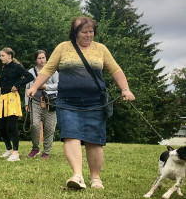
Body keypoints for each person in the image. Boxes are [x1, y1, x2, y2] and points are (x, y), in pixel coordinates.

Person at [26, 16, 135, 190]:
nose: (89, 35)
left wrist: (125, 89)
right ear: (75, 33)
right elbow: (47, 69)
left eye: (91, 32)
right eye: (85, 32)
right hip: (68, 101)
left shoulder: (101, 49)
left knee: (94, 140)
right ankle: (77, 175)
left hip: (95, 102)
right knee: (71, 135)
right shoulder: (63, 48)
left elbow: (115, 70)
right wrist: (35, 87)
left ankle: (96, 178)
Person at [0, 48, 32, 162]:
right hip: (3, 98)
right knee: (2, 127)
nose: (0, 58)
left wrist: (17, 85)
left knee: (11, 126)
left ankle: (16, 153)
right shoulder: (4, 68)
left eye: (2, 55)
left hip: (13, 99)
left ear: (9, 55)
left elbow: (30, 76)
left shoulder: (16, 66)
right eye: (0, 55)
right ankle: (9, 149)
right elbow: (3, 84)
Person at [24, 50, 58, 159]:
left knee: (50, 127)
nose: (42, 60)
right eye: (39, 58)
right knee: (34, 125)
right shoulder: (31, 72)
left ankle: (46, 151)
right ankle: (35, 148)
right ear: (35, 60)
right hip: (34, 101)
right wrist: (26, 103)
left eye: (43, 57)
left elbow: (59, 85)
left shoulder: (53, 71)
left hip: (50, 102)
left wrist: (46, 87)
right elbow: (27, 88)